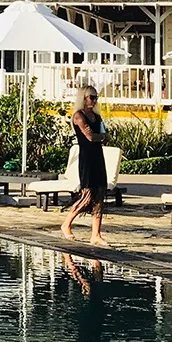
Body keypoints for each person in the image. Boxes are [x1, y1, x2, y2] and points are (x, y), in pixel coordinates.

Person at [61, 84, 109, 246]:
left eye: (96, 98)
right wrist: (102, 136)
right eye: (92, 97)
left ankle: (96, 234)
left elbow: (102, 134)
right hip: (87, 158)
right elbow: (90, 137)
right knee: (87, 196)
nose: (94, 101)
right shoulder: (79, 116)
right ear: (84, 98)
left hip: (98, 157)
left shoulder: (96, 116)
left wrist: (101, 136)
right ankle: (66, 224)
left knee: (100, 195)